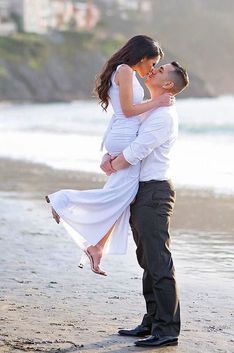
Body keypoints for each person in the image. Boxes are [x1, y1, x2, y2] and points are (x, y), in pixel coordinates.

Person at [45, 35, 173, 276]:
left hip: (122, 134)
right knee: (119, 195)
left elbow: (129, 108)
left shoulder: (124, 71)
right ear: (142, 57)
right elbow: (128, 110)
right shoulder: (125, 71)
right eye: (153, 63)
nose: (152, 69)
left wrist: (153, 103)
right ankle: (63, 200)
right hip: (125, 135)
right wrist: (158, 103)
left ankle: (97, 246)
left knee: (121, 197)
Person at [101, 62, 189, 348]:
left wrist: (114, 164)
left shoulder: (163, 116)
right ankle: (151, 321)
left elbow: (136, 152)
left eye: (160, 70)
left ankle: (167, 330)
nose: (153, 70)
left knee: (158, 261)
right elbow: (125, 132)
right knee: (147, 261)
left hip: (155, 192)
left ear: (167, 85)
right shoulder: (151, 109)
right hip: (141, 192)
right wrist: (109, 156)